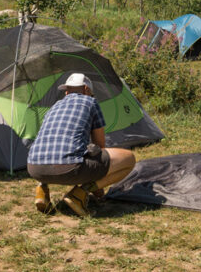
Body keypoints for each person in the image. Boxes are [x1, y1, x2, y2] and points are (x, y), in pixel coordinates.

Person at [26, 72, 136, 216]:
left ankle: (42, 191)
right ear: (86, 90)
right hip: (68, 169)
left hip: (34, 169)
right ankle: (79, 194)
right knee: (129, 159)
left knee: (54, 148)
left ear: (66, 91)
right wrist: (98, 187)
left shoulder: (54, 107)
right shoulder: (90, 102)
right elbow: (99, 145)